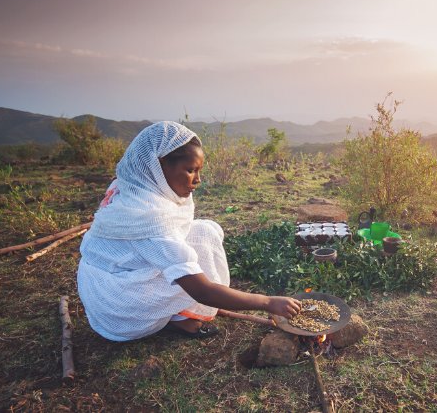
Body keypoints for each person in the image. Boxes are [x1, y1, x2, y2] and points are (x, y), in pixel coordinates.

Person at [77, 121, 301, 341]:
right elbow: (201, 290)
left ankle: (177, 312)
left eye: (199, 170)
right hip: (121, 313)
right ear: (159, 166)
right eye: (190, 170)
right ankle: (177, 318)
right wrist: (268, 302)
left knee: (204, 232)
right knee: (197, 257)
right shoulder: (148, 219)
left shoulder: (131, 186)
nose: (198, 180)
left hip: (107, 286)